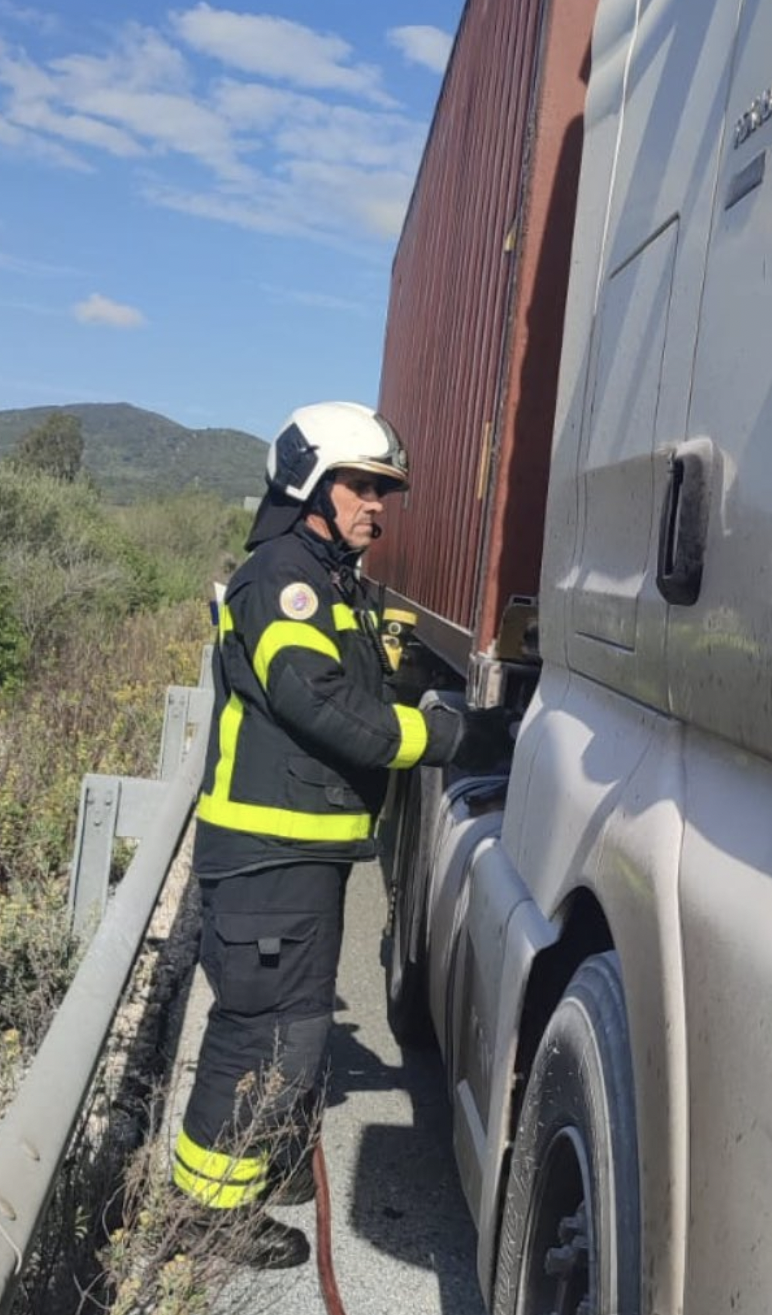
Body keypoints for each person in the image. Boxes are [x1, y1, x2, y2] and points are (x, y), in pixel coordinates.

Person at [172, 401, 502, 1267]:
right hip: (267, 853)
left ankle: (261, 1162)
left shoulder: (326, 577)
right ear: (307, 482)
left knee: (297, 1023)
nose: (378, 507)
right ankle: (203, 1215)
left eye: (383, 490)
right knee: (263, 1030)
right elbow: (315, 700)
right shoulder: (284, 575)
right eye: (361, 486)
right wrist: (444, 738)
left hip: (299, 850)